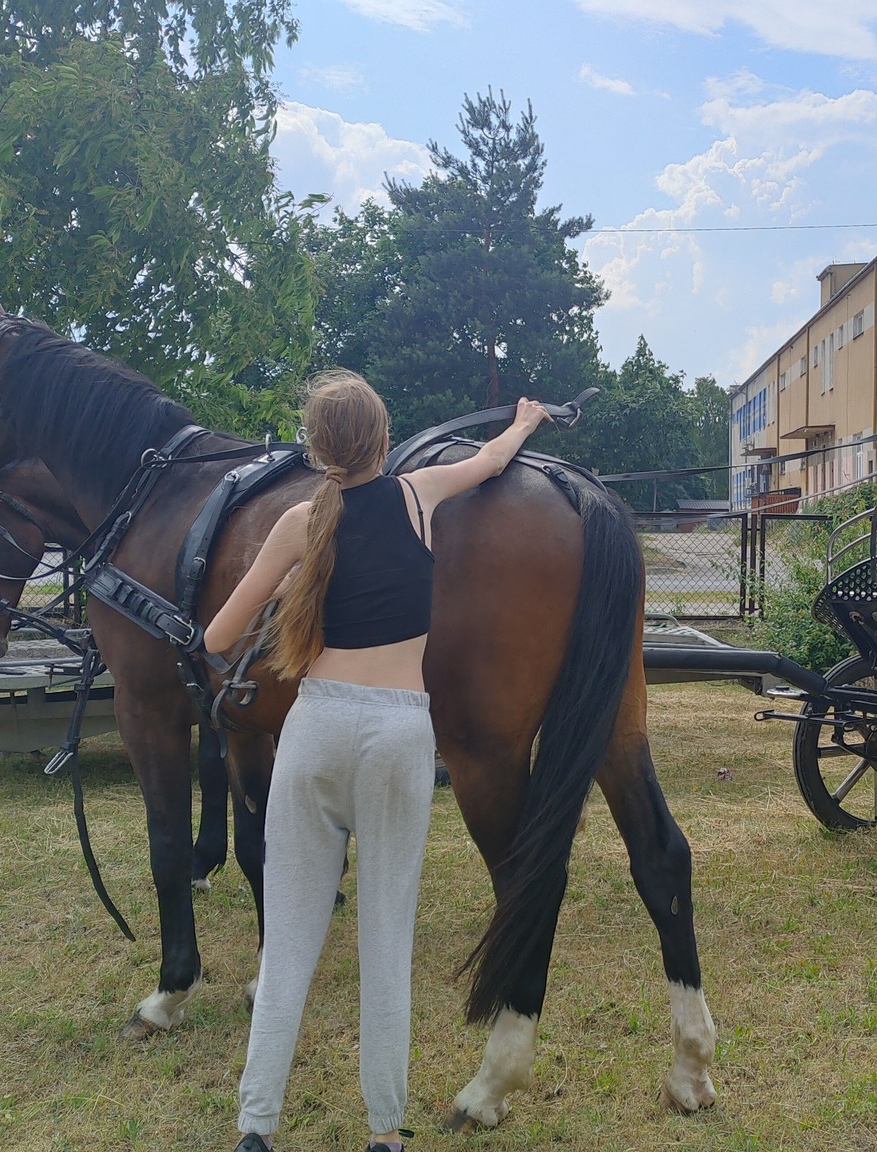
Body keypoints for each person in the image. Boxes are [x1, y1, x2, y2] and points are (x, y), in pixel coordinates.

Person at [205, 371, 550, 1152]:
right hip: (398, 735)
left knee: (288, 942)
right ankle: (385, 1134)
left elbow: (218, 639)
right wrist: (525, 421)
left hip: (316, 729)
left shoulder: (299, 521)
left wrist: (291, 584)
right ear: (384, 440)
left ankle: (256, 1128)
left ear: (316, 447)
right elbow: (492, 461)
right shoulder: (419, 494)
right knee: (385, 943)